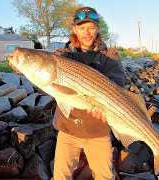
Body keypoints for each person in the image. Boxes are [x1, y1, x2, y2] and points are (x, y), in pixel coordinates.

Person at [52, 7, 125, 180]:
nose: (87, 32)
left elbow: (118, 87)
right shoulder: (62, 56)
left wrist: (104, 105)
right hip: (68, 129)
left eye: (91, 27)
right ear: (74, 29)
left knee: (105, 177)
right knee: (61, 177)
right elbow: (45, 85)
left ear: (98, 29)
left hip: (98, 131)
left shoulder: (110, 56)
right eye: (82, 27)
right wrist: (25, 69)